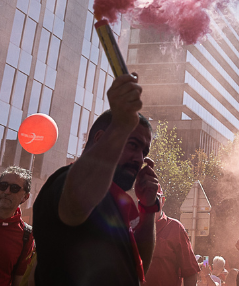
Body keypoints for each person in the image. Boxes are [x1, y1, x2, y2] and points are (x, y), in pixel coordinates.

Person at [32, 73, 161, 286]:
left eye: (144, 151)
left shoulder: (115, 205)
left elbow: (137, 272)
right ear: (101, 138)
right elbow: (75, 206)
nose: (139, 159)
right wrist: (121, 126)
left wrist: (148, 209)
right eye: (132, 144)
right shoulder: (64, 182)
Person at [144, 190, 199, 286]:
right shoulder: (131, 228)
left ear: (163, 201)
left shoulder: (176, 228)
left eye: (154, 199)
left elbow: (190, 272)